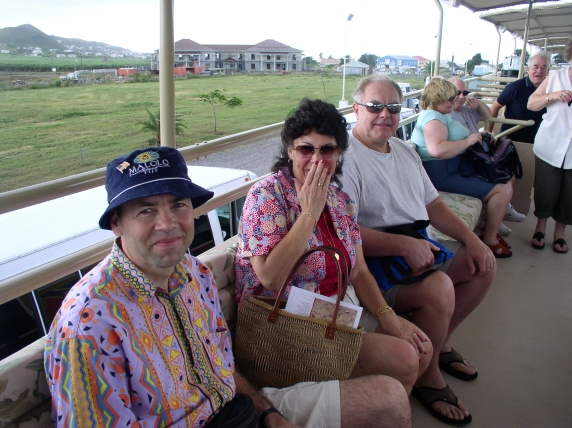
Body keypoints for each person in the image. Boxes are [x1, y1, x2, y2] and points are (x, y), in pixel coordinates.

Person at [44, 146, 413, 428]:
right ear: (116, 223)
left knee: (390, 400)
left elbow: (221, 369)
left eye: (178, 205)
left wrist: (267, 413)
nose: (168, 223)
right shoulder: (90, 322)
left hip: (239, 411)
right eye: (146, 210)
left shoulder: (194, 275)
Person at [235, 98, 433, 396]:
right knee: (404, 359)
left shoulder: (340, 200)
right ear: (290, 152)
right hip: (285, 320)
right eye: (306, 149)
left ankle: (375, 403)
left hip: (336, 307)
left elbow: (359, 271)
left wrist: (386, 314)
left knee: (422, 349)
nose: (317, 159)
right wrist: (309, 214)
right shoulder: (267, 195)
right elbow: (271, 278)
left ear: (338, 154)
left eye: (327, 149)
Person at [342, 74, 498, 426]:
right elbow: (345, 230)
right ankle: (428, 377)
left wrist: (473, 240)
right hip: (375, 261)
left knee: (483, 266)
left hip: (418, 243)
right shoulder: (346, 160)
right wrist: (403, 244)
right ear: (356, 109)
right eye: (375, 106)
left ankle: (439, 346)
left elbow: (433, 205)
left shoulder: (403, 150)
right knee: (439, 288)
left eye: (393, 107)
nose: (385, 114)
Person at [412, 77, 514, 257]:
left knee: (503, 176)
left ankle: (490, 230)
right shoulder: (432, 118)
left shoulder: (441, 114)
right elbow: (437, 150)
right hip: (443, 174)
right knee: (502, 188)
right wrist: (468, 141)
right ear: (438, 97)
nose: (455, 101)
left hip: (454, 167)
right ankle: (490, 238)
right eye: (451, 98)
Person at [449, 77, 524, 235]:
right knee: (502, 179)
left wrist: (478, 103)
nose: (462, 97)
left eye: (465, 93)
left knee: (510, 167)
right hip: (467, 159)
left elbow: (488, 114)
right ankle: (492, 219)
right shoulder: (447, 114)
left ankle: (501, 209)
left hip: (478, 153)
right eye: (457, 93)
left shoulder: (465, 110)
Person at [527, 38, 572, 254]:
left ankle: (560, 234)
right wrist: (552, 96)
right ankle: (540, 228)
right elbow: (532, 104)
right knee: (546, 188)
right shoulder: (555, 77)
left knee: (569, 193)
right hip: (550, 144)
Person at [488, 51, 550, 143]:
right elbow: (495, 106)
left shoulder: (552, 89)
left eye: (543, 68)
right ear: (528, 69)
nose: (539, 71)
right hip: (512, 140)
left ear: (548, 71)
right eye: (536, 67)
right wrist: (488, 134)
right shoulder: (515, 88)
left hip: (540, 140)